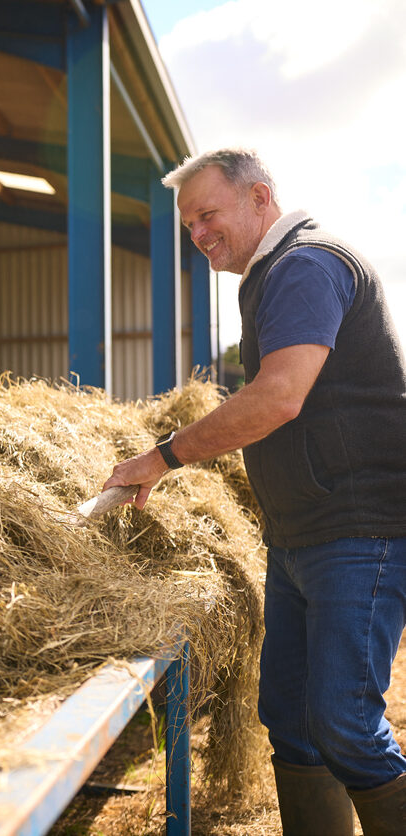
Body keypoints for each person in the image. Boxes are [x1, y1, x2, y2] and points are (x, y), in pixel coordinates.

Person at [103, 148, 406, 835]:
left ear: (259, 198)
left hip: (358, 533)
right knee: (293, 723)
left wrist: (162, 457)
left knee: (344, 723)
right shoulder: (269, 277)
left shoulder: (306, 264)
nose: (198, 233)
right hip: (300, 535)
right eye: (188, 224)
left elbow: (277, 397)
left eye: (208, 214)